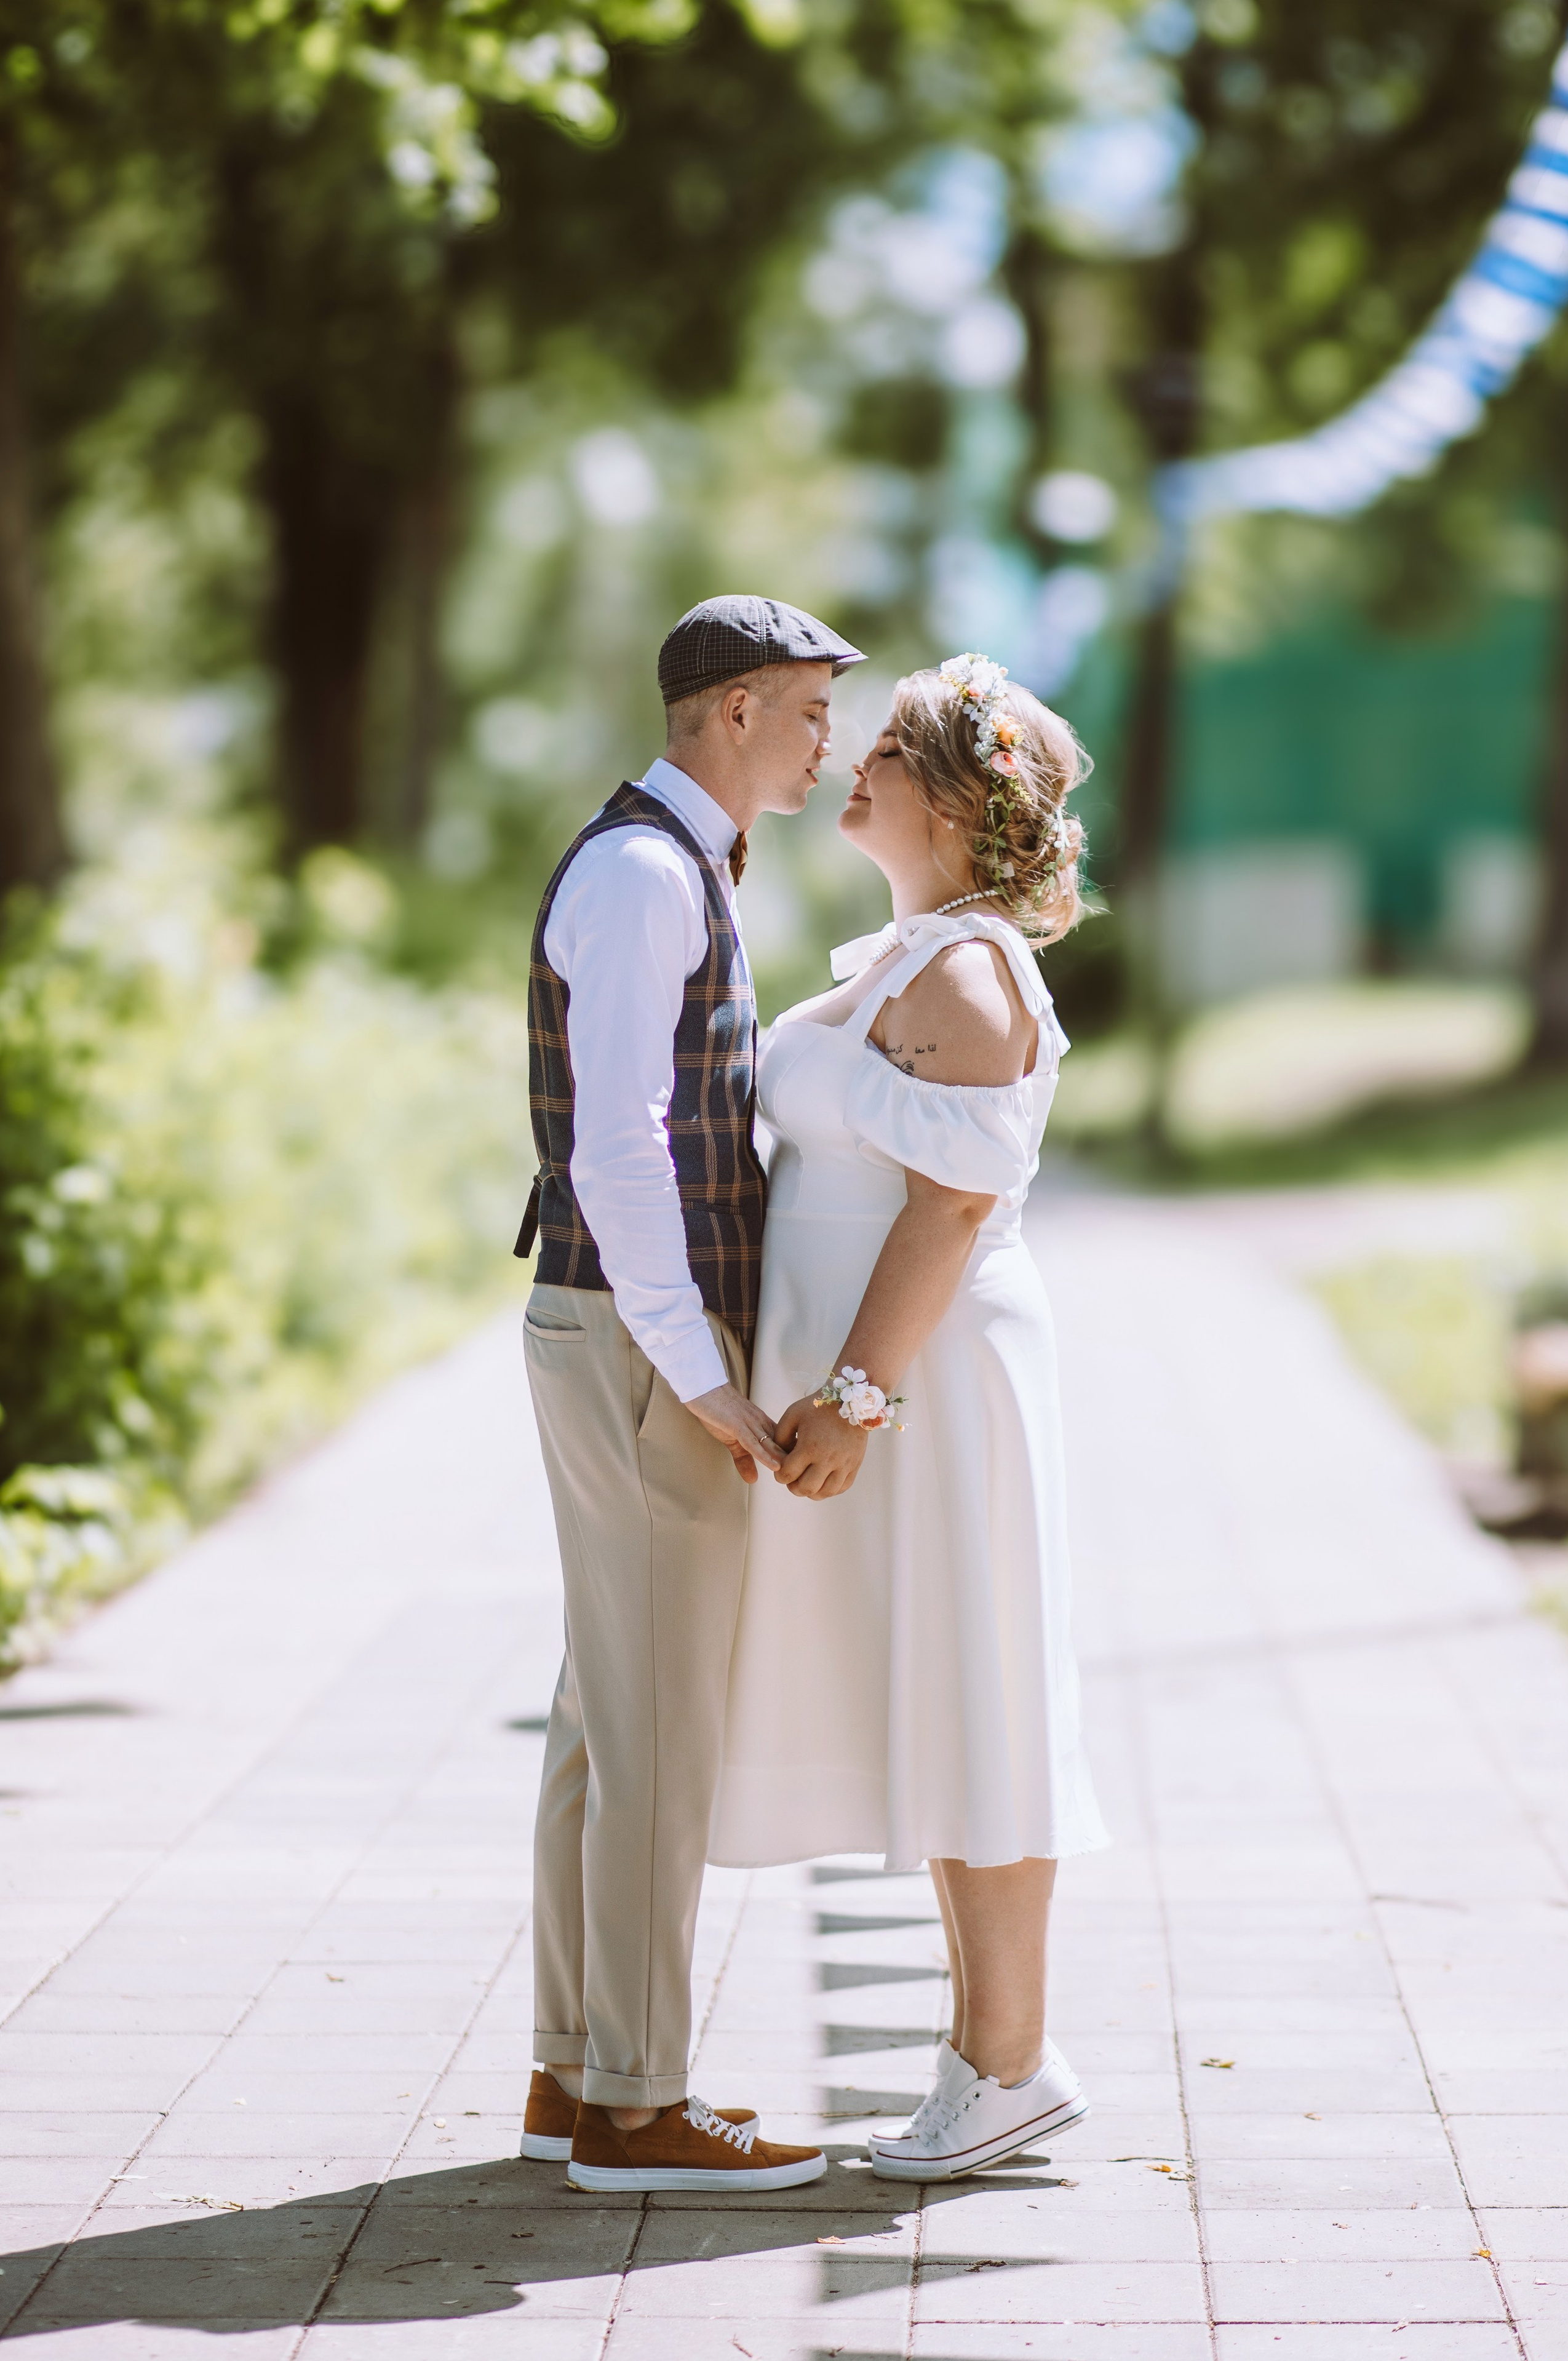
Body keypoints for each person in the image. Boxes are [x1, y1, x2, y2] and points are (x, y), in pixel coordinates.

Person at [709, 652, 1110, 2181]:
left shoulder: (970, 971)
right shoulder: (899, 956)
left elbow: (949, 1206)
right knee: (938, 1696)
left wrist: (854, 1398)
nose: (852, 767)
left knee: (979, 1692)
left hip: (930, 1386)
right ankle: (989, 2056)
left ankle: (1005, 2057)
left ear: (954, 797)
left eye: (885, 750)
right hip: (881, 1382)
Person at [513, 594, 866, 2194]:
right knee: (656, 1724)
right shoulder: (650, 874)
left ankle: (577, 2065)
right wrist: (705, 1375)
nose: (826, 742)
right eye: (807, 710)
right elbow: (620, 1143)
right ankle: (638, 2106)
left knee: (605, 1710)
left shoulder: (670, 864)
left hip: (614, 1327)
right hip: (638, 1337)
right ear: (730, 711)